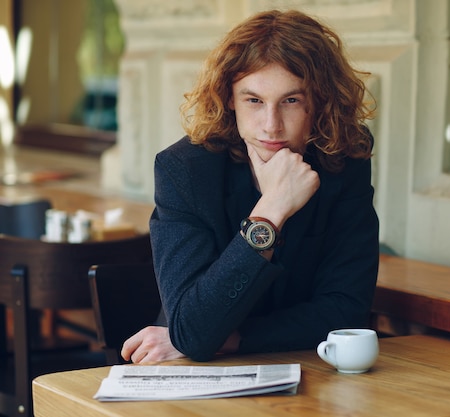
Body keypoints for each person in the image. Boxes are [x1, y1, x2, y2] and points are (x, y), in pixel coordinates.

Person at [121, 9, 379, 363]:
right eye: (254, 100)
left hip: (303, 370)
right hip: (197, 377)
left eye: (291, 100)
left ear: (320, 101)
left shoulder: (345, 159)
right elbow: (194, 332)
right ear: (230, 98)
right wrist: (271, 210)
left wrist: (231, 338)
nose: (271, 126)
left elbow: (346, 312)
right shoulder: (185, 170)